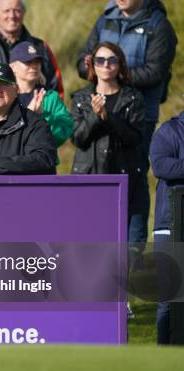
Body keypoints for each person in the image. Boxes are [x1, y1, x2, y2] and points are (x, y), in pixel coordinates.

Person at [77, 0, 178, 245]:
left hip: (137, 112)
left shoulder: (159, 26)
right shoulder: (105, 18)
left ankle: (133, 251)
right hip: (100, 104)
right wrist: (94, 68)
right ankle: (98, 244)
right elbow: (83, 60)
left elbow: (156, 71)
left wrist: (115, 73)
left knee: (134, 179)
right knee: (98, 175)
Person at [70, 42, 145, 230]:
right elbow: (78, 139)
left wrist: (107, 117)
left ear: (120, 64)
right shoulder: (80, 98)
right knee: (90, 238)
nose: (106, 65)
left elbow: (134, 138)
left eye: (112, 60)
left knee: (124, 243)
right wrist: (95, 117)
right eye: (100, 60)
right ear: (93, 65)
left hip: (124, 174)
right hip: (89, 177)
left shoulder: (134, 98)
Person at [149, 111, 184, 344]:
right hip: (170, 225)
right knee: (170, 297)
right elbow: (160, 165)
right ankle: (164, 354)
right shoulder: (169, 131)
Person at [9, 41, 72, 161]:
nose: (34, 66)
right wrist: (30, 116)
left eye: (37, 62)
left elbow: (64, 130)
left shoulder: (50, 97)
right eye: (27, 62)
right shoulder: (5, 98)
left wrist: (40, 120)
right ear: (13, 66)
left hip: (44, 163)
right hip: (11, 163)